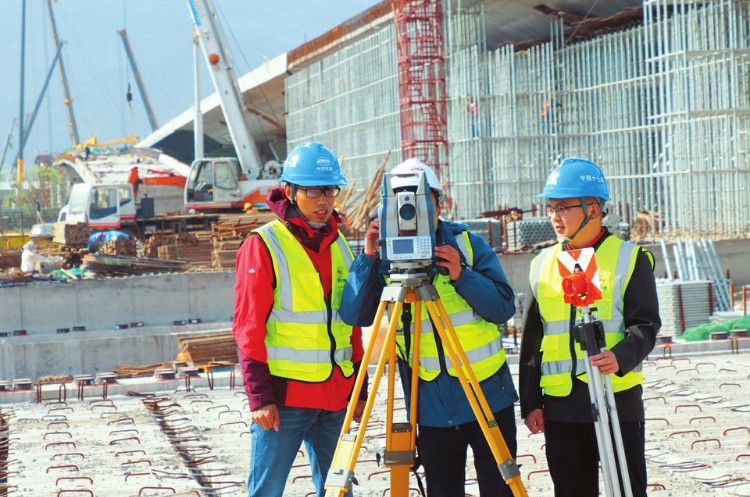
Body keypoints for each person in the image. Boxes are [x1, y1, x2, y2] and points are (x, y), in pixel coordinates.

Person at [340, 158, 518, 497]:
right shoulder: (384, 255)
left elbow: (503, 308)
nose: (411, 212)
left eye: (420, 201)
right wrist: (368, 258)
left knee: (499, 490)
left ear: (439, 203)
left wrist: (462, 275)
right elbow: (356, 314)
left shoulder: (467, 245)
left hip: (487, 396)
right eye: (401, 203)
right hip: (433, 407)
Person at [519, 158, 660, 497]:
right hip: (561, 405)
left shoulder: (629, 258)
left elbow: (646, 324)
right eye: (551, 207)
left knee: (627, 489)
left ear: (593, 208)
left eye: (563, 207)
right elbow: (532, 340)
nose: (554, 216)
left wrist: (621, 355)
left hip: (616, 397)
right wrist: (531, 401)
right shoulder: (541, 264)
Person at [233, 141, 367, 497]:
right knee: (267, 491)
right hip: (284, 400)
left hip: (335, 396)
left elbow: (349, 322)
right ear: (290, 192)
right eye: (312, 191)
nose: (324, 201)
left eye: (329, 190)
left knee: (339, 491)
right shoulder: (264, 245)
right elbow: (248, 328)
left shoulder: (340, 243)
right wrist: (259, 396)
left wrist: (359, 383)